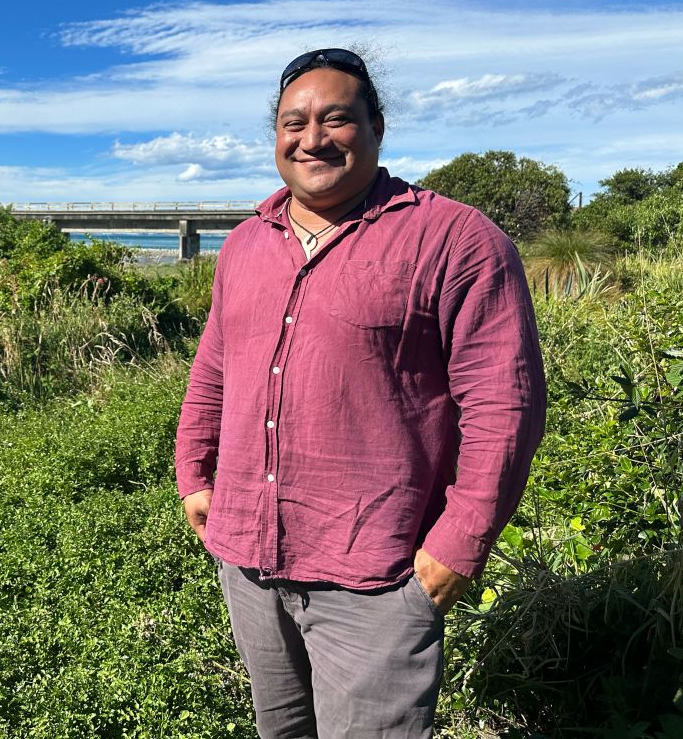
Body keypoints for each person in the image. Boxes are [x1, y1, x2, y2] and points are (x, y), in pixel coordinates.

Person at [174, 48, 546, 739]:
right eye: (293, 123)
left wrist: (458, 545)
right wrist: (194, 470)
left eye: (336, 118)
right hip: (248, 559)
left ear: (377, 126)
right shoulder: (247, 243)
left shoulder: (456, 239)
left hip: (377, 573)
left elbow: (505, 403)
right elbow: (215, 368)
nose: (311, 138)